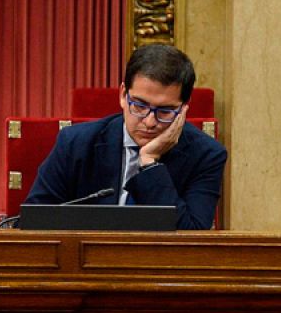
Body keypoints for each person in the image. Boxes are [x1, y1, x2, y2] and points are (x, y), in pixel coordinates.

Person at [23, 43, 226, 229]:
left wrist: (150, 164)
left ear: (184, 107)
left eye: (165, 111)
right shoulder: (76, 143)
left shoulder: (206, 155)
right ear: (122, 95)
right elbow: (34, 222)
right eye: (139, 105)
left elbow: (192, 239)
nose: (149, 121)